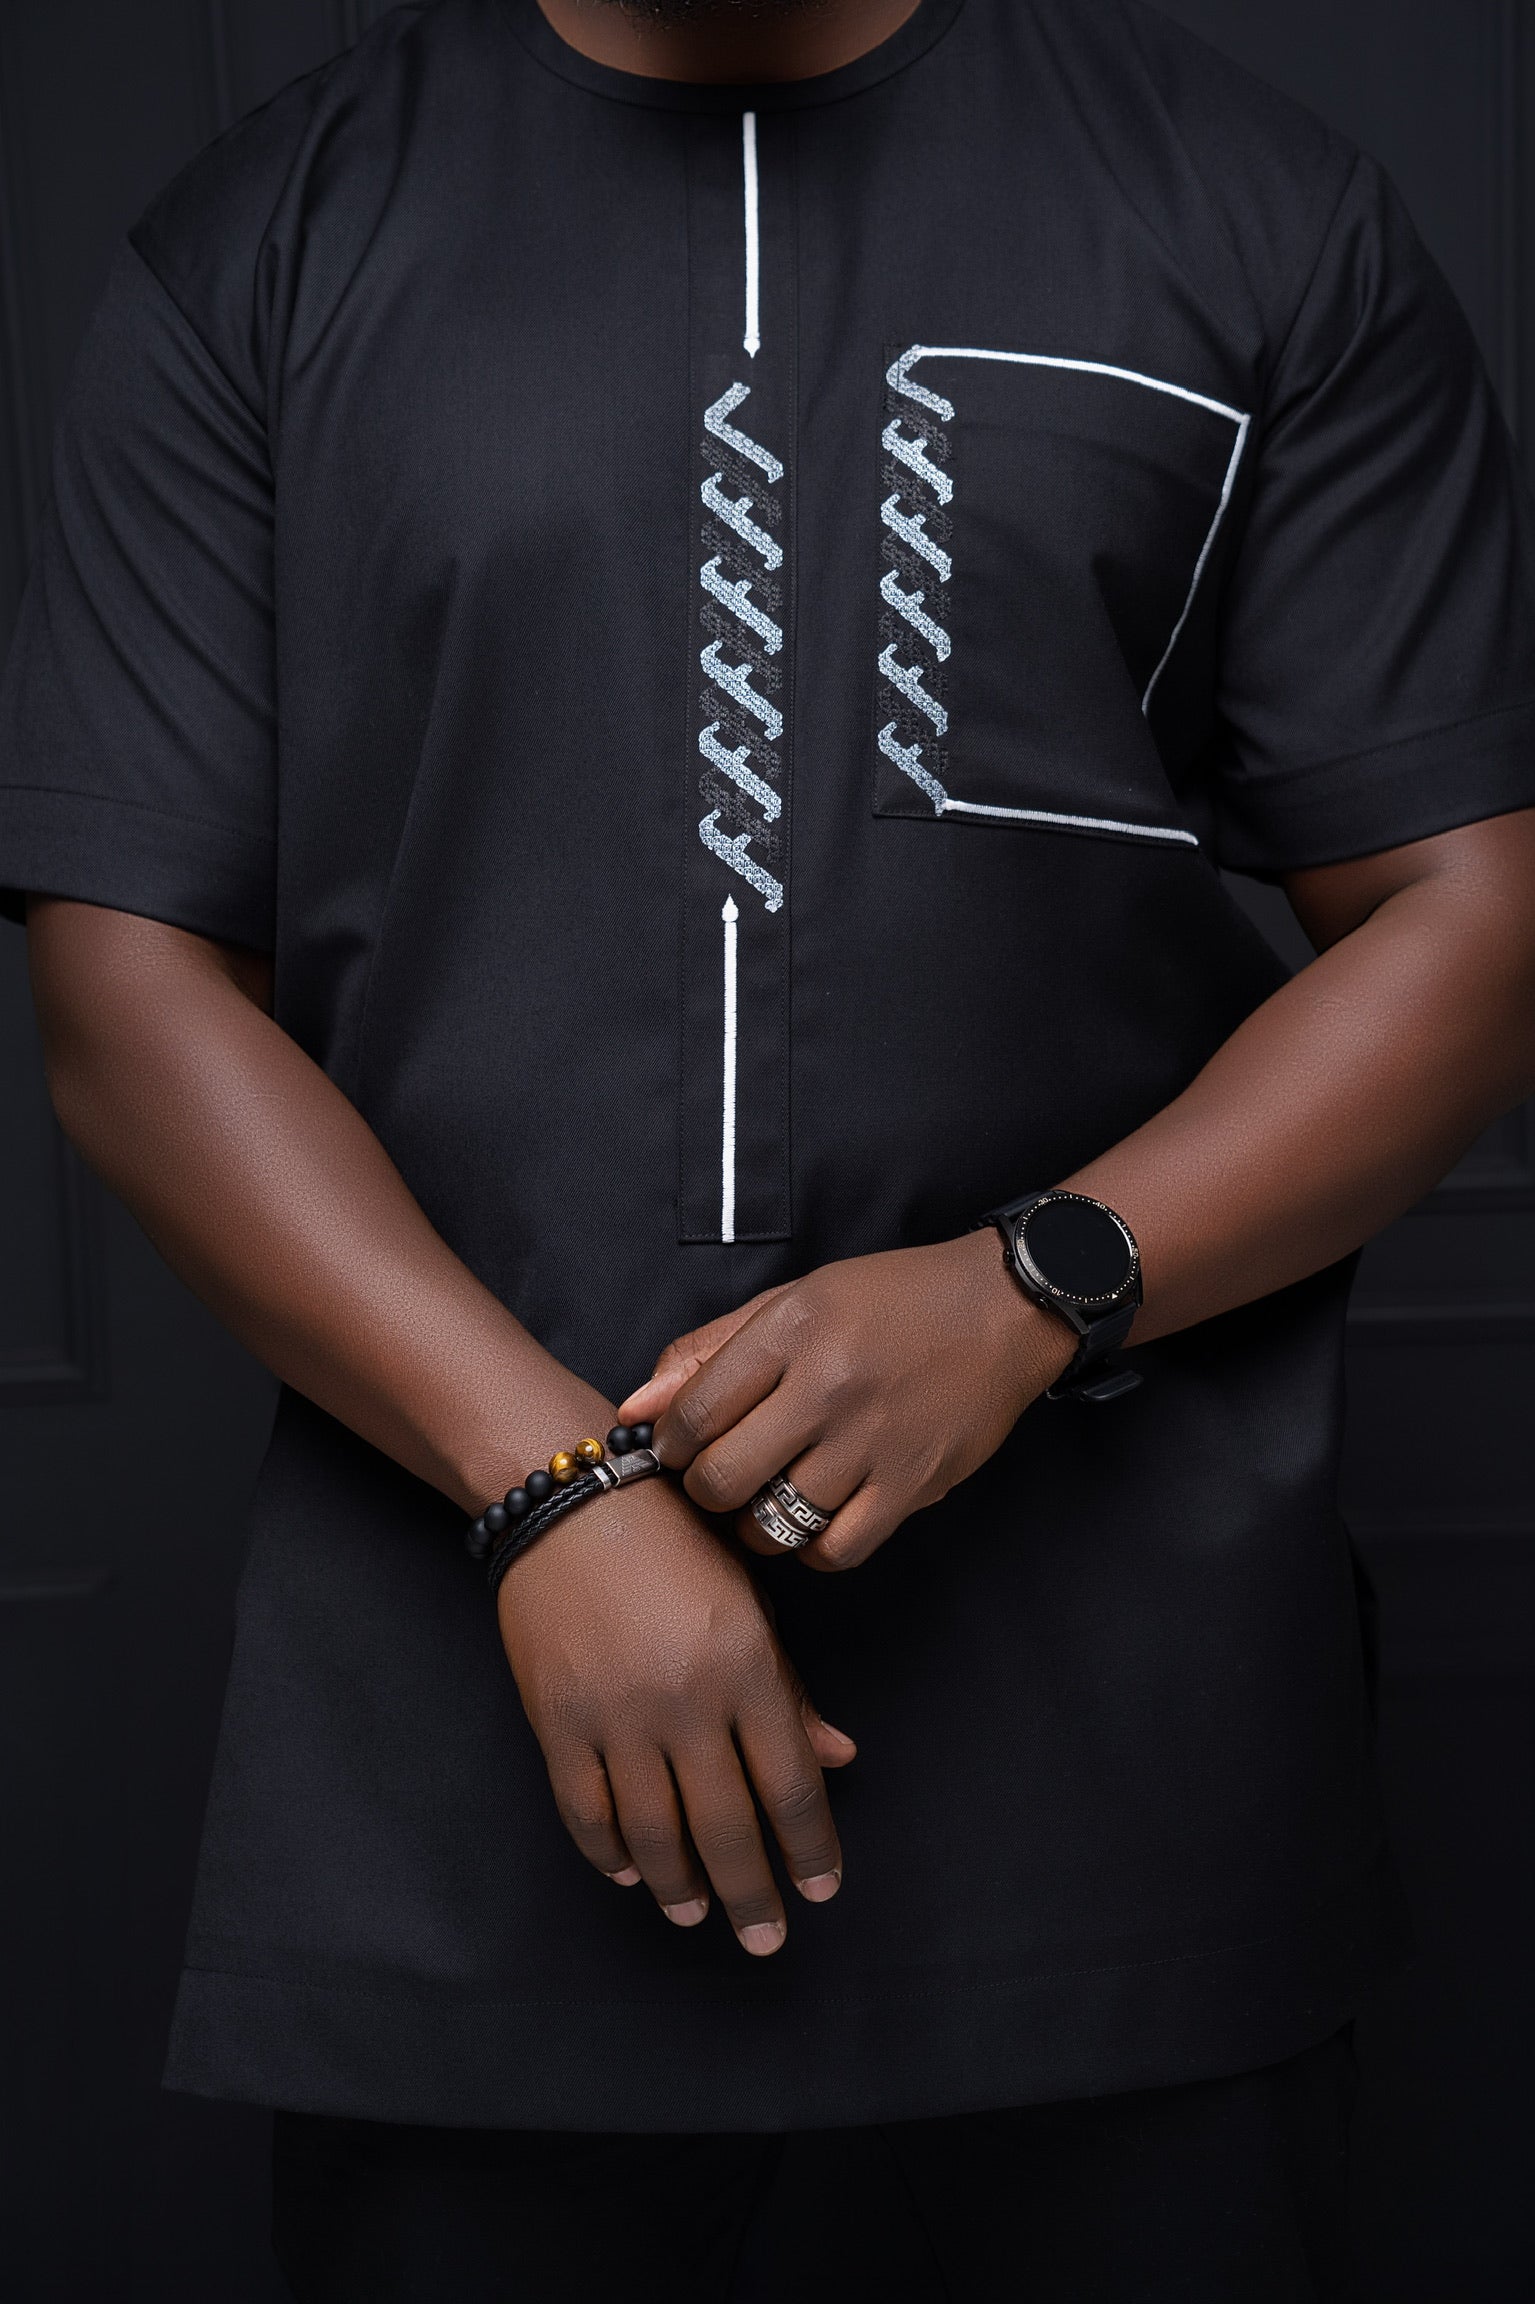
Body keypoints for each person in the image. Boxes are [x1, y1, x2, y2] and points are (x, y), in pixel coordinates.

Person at [4, 0, 1535, 2294]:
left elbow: (1471, 915)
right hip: (465, 1745)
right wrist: (543, 1485)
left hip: (1128, 1740)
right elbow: (128, 991)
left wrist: (1035, 1288)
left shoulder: (1256, 213)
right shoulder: (263, 245)